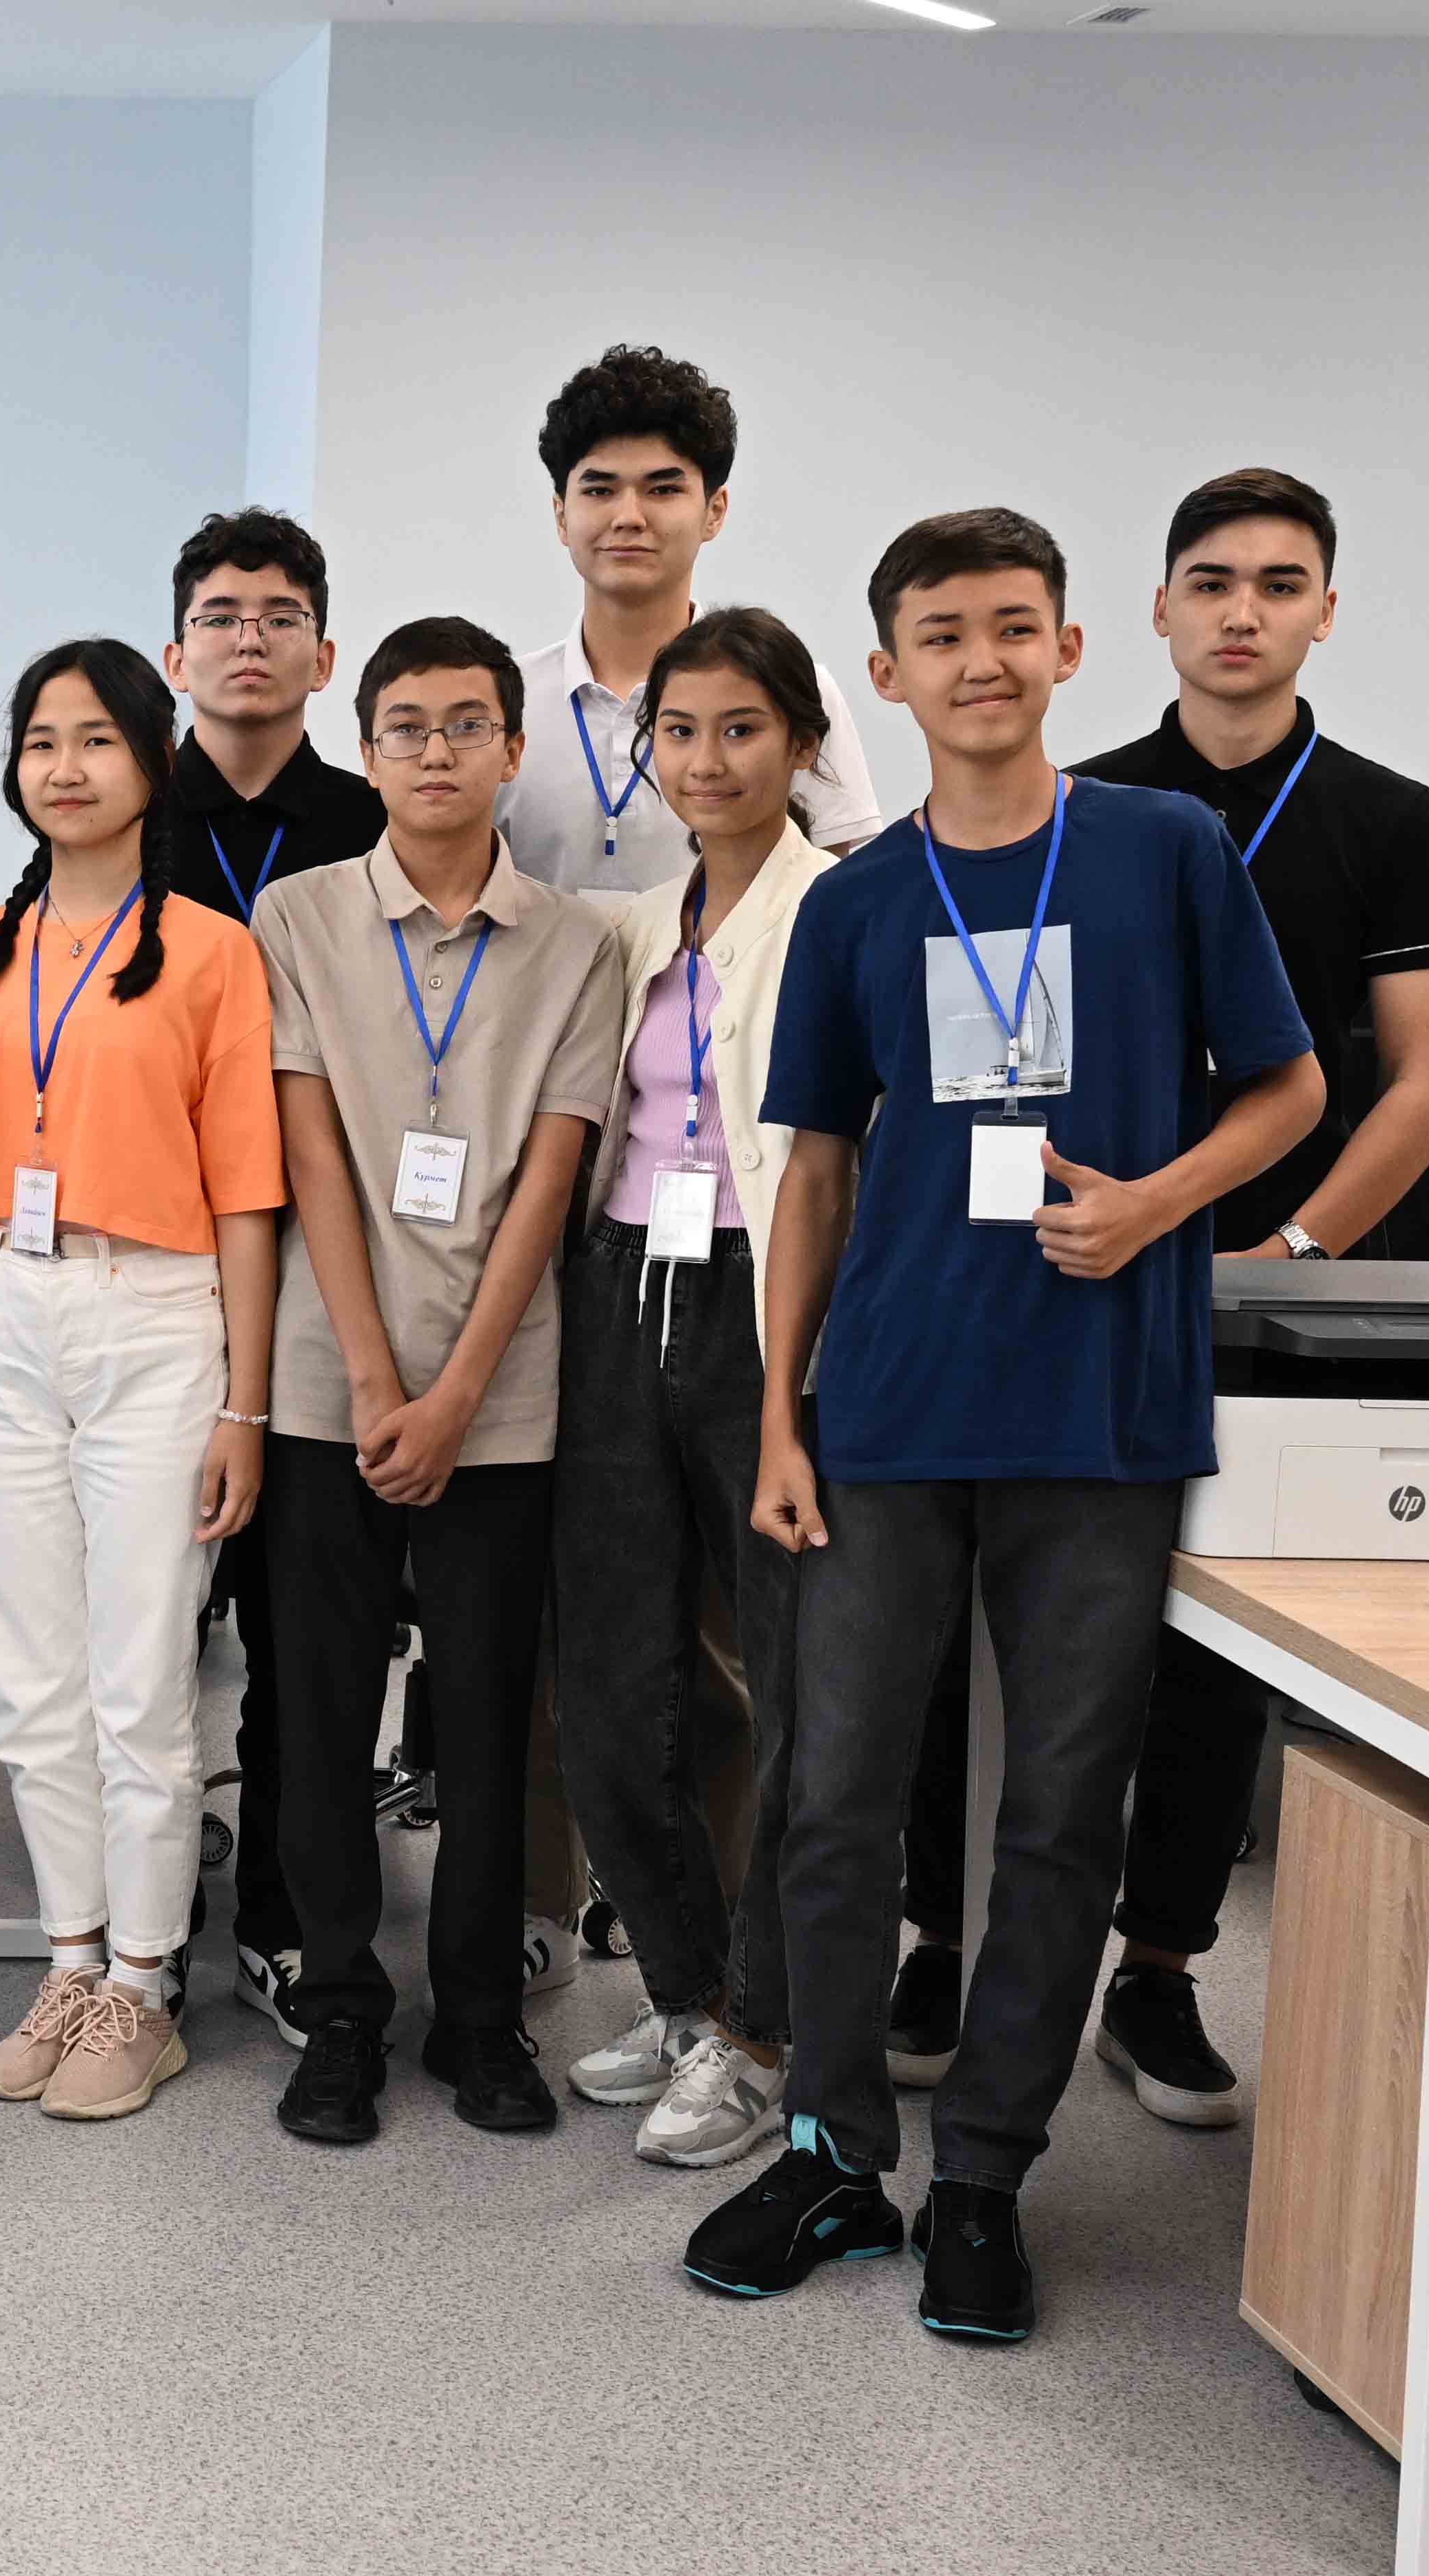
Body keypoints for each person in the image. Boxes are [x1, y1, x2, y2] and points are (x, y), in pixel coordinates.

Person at [687, 508, 1317, 2348]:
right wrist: (782, 1415)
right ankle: (831, 2152)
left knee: (1058, 1811)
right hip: (887, 1404)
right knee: (832, 1796)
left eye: (1013, 625)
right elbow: (812, 1168)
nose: (981, 660)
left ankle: (981, 2174)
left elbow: (1289, 1085)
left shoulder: (1162, 851)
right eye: (943, 633)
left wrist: (1158, 1201)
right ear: (886, 674)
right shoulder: (854, 899)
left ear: (1066, 648)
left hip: (1097, 1410)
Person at [918, 467, 1429, 2134]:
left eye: (1278, 584)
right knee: (984, 1623)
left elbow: (1420, 1081)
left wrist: (1282, 1251)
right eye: (1211, 582)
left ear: (1323, 611)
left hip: (1261, 1290)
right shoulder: (1078, 801)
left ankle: (1155, 1965)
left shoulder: (1385, 817)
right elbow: (1007, 1051)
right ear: (1154, 610)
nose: (1241, 612)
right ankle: (944, 1937)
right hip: (1073, 1276)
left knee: (1214, 1647)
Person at [250, 616, 626, 2146]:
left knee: (482, 1719)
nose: (434, 751)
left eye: (466, 724)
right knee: (317, 1705)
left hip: (504, 1391)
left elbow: (551, 1178)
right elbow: (309, 1152)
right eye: (403, 725)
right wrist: (368, 1374)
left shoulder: (579, 943)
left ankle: (478, 2014)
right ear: (364, 750)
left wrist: (459, 1390)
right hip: (322, 1382)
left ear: (511, 749)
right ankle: (339, 2005)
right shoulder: (296, 915)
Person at [0, 638, 283, 2122]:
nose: (63, 767)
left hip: (154, 1319)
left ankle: (144, 1983)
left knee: (138, 1678)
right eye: (39, 741)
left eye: (94, 740)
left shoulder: (210, 951)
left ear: (153, 762)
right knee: (29, 1677)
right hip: (4, 1309)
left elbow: (248, 1192)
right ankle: (69, 1961)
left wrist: (243, 1404)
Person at [544, 608, 844, 2172]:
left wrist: (793, 1379)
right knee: (608, 1683)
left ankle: (763, 2031)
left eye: (740, 727)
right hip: (616, 1287)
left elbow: (832, 1153)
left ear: (799, 741)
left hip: (761, 1301)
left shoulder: (832, 907)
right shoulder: (633, 921)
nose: (706, 759)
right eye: (678, 730)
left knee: (792, 1694)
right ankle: (684, 1994)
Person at [151, 509, 385, 2046]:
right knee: (149, 1618)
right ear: (175, 653)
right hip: (157, 1264)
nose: (250, 637)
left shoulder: (371, 821)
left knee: (308, 1631)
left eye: (279, 614)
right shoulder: (113, 812)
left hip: (327, 1261)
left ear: (322, 651)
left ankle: (289, 1921)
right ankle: (140, 1908)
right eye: (222, 615)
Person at [503, 345, 888, 895]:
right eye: (599, 490)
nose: (629, 517)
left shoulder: (793, 688)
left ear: (715, 511)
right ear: (562, 516)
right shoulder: (499, 704)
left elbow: (830, 896)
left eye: (663, 489)